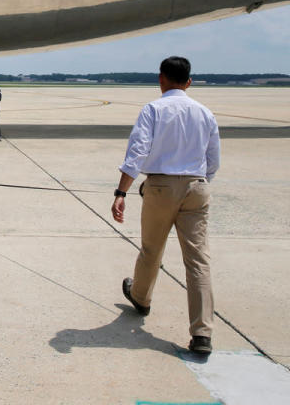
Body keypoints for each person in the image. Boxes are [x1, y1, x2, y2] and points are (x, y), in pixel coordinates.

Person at [111, 56, 220, 356]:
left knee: (151, 249)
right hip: (197, 187)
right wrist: (197, 182)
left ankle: (141, 298)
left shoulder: (154, 109)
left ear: (161, 79)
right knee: (198, 261)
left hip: (160, 186)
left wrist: (122, 191)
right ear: (189, 81)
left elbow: (137, 151)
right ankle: (202, 333)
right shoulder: (205, 113)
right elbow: (214, 160)